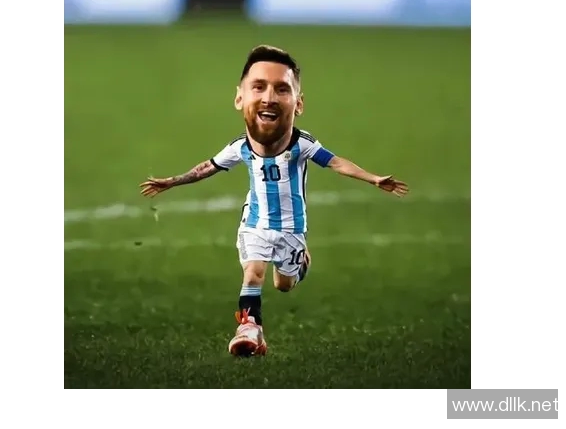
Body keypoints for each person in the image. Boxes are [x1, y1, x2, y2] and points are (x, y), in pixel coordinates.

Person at [139, 44, 409, 357]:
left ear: (298, 103)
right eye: (258, 87)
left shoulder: (302, 145)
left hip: (291, 226)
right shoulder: (240, 147)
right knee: (253, 272)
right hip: (255, 221)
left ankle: (300, 262)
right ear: (239, 97)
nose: (269, 98)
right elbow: (207, 167)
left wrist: (373, 178)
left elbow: (336, 162)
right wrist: (172, 181)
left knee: (284, 284)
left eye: (282, 89)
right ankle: (249, 328)